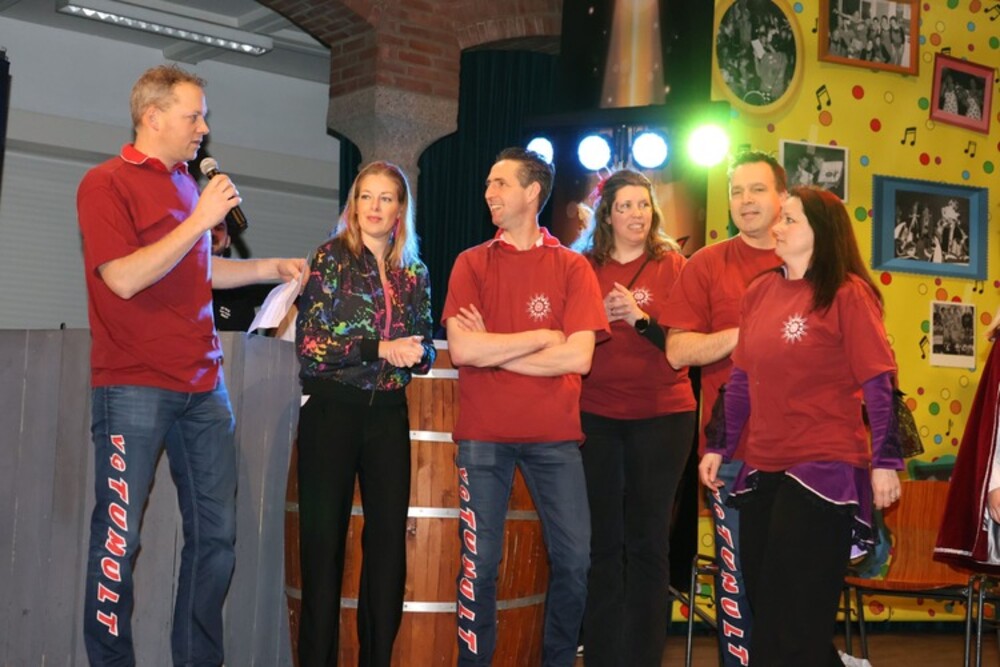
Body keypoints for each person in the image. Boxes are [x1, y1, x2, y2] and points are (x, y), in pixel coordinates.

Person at [76, 64, 305, 666]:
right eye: (194, 116)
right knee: (119, 541)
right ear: (153, 117)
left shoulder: (186, 185)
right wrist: (200, 221)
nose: (204, 128)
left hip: (204, 387)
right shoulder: (105, 184)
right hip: (133, 385)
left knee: (217, 540)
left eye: (203, 117)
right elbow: (124, 277)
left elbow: (195, 270)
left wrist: (268, 268)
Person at [698, 185, 902, 666]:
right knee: (765, 608)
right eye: (780, 218)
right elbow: (741, 380)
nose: (778, 227)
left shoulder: (848, 294)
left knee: (798, 616)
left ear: (821, 233)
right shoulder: (759, 292)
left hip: (824, 468)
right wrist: (718, 446)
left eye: (790, 219)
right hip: (762, 466)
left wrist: (885, 461)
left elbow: (880, 382)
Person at [442, 147, 609, 667]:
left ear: (533, 192)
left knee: (576, 560)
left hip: (555, 438)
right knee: (480, 566)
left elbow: (579, 358)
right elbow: (463, 350)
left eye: (500, 183)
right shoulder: (471, 262)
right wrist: (541, 337)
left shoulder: (572, 266)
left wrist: (494, 349)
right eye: (488, 184)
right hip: (483, 436)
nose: (488, 193)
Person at [295, 161, 435, 666]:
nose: (374, 207)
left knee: (387, 553)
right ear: (353, 205)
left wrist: (417, 352)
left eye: (386, 198)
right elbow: (310, 346)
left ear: (401, 209)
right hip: (332, 410)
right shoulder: (329, 258)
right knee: (323, 549)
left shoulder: (414, 271)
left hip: (387, 416)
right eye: (366, 196)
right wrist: (381, 348)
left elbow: (426, 343)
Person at [662, 150, 785, 667]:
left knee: (791, 580)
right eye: (737, 191)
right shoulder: (708, 264)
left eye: (757, 189)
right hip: (730, 451)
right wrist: (744, 334)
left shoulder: (813, 259)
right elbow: (676, 351)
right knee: (737, 582)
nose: (745, 201)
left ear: (782, 196)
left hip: (807, 456)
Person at [575, 169, 696, 667]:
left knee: (648, 542)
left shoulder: (674, 266)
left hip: (662, 417)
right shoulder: (583, 266)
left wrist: (641, 320)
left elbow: (686, 348)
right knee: (602, 543)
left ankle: (645, 657)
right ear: (607, 215)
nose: (636, 214)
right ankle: (602, 655)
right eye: (624, 206)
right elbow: (567, 337)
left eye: (643, 204)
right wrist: (596, 320)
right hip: (596, 416)